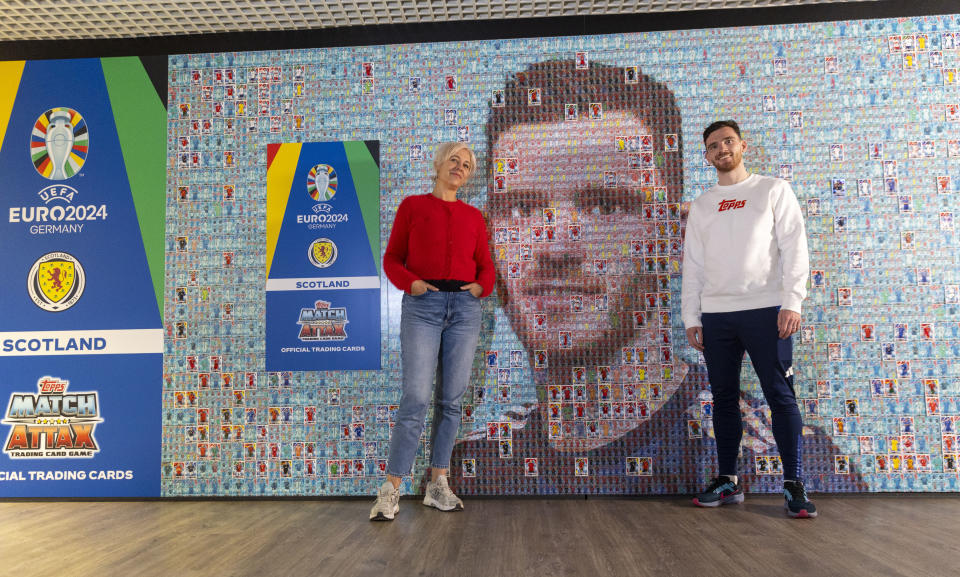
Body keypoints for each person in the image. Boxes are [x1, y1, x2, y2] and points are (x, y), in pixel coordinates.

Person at [450, 61, 863, 498]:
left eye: (606, 206)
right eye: (520, 209)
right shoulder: (476, 462)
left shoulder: (779, 461)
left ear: (672, 239)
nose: (555, 248)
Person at [682, 119, 816, 518]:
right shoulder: (704, 204)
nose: (721, 149)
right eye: (713, 146)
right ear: (706, 157)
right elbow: (694, 264)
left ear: (742, 145)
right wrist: (692, 315)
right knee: (723, 397)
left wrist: (792, 301)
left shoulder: (772, 190)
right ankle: (727, 481)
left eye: (727, 142)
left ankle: (792, 483)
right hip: (717, 315)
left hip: (767, 310)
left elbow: (795, 247)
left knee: (779, 395)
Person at [369, 142, 495, 521]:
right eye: (454, 160)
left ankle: (437, 483)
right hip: (423, 307)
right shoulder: (412, 207)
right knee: (416, 397)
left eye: (467, 165)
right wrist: (413, 285)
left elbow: (485, 267)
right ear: (439, 164)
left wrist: (480, 289)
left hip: (465, 309)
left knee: (451, 400)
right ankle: (391, 488)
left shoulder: (474, 217)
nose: (460, 167)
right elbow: (392, 258)